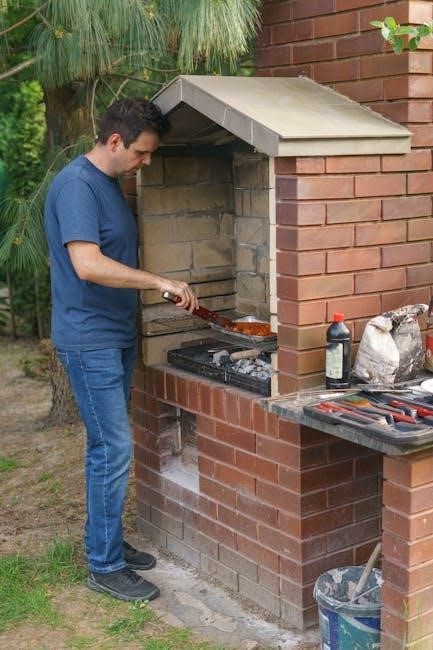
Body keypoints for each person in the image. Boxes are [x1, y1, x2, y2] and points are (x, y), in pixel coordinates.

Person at [44, 98, 198, 602]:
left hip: (115, 335)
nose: (146, 162)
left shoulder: (108, 182)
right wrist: (158, 281)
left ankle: (104, 541)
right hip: (89, 339)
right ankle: (104, 566)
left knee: (107, 448)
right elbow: (87, 264)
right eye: (141, 152)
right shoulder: (77, 186)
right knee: (113, 448)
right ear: (114, 141)